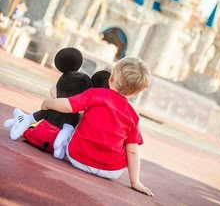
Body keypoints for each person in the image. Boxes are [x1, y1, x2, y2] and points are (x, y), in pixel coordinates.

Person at [41, 56, 154, 196]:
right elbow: (133, 151)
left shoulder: (95, 94)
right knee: (129, 143)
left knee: (80, 117)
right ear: (136, 93)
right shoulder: (133, 115)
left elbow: (67, 106)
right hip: (111, 170)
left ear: (111, 78)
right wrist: (135, 181)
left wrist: (47, 103)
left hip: (77, 158)